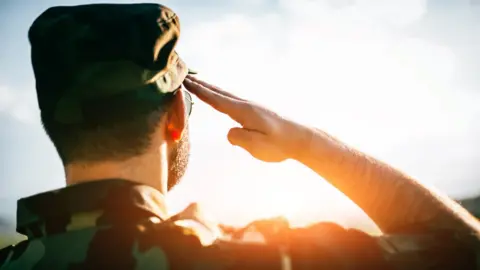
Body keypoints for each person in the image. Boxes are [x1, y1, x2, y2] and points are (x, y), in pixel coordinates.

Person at [0, 2, 478, 269]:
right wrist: (308, 142)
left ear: (53, 125)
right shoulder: (243, 260)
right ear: (176, 118)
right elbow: (461, 251)